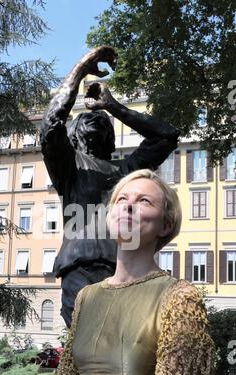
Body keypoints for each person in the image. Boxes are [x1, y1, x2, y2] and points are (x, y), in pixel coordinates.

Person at [57, 169, 216, 375]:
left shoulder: (179, 298)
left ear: (165, 225)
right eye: (121, 199)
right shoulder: (86, 298)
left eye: (144, 201)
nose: (128, 205)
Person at [41, 46, 179, 328]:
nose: (95, 119)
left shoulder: (125, 171)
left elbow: (166, 136)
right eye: (85, 118)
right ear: (74, 135)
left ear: (111, 136)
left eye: (103, 121)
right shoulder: (70, 167)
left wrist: (112, 106)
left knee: (125, 348)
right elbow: (51, 125)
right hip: (80, 270)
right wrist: (80, 69)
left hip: (126, 269)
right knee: (88, 346)